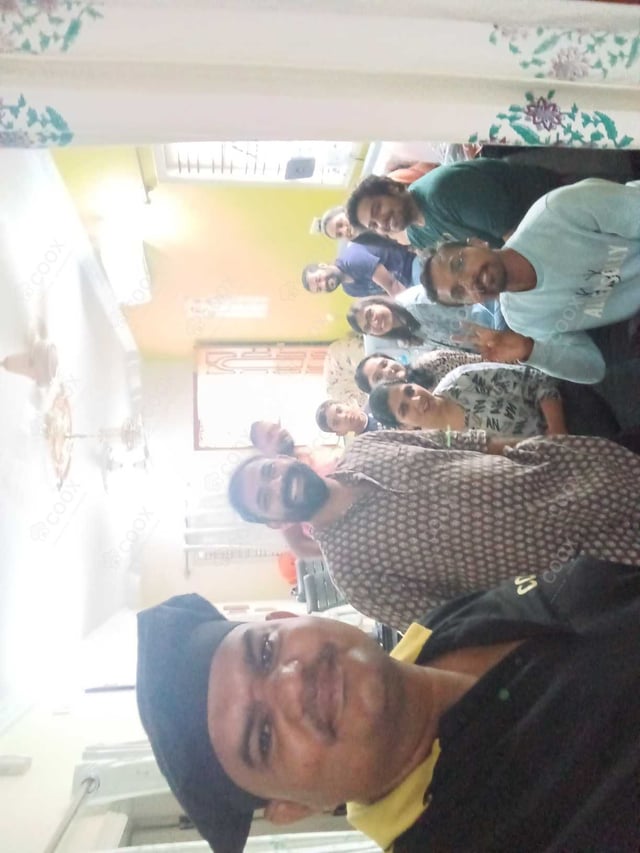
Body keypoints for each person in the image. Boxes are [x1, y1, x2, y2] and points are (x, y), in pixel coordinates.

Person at [136, 555, 640, 853]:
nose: (291, 683)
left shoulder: (440, 629)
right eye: (263, 737)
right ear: (293, 808)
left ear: (285, 619)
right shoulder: (476, 837)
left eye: (266, 652)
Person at [227, 430, 640, 629]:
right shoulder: (356, 577)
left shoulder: (367, 445)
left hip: (584, 474)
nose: (278, 483)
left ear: (283, 459)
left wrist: (533, 445)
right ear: (278, 522)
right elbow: (462, 626)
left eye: (270, 471)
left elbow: (464, 440)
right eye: (265, 497)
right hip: (594, 566)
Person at [421, 178, 640, 383]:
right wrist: (531, 351)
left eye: (459, 264)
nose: (469, 281)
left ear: (477, 243)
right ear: (471, 303)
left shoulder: (554, 212)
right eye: (459, 292)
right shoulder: (521, 319)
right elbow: (593, 369)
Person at [345, 159, 563, 251]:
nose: (381, 222)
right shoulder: (417, 235)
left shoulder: (442, 192)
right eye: (373, 225)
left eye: (377, 209)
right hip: (530, 240)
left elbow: (516, 236)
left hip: (554, 210)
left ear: (392, 188)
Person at [369, 363, 622, 440]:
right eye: (404, 409)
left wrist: (558, 431)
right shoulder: (446, 448)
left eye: (409, 391)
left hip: (571, 413)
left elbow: (536, 380)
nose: (416, 400)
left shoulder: (462, 381)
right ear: (404, 426)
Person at [346, 290, 503, 353]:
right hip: (487, 343)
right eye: (368, 327)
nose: (374, 322)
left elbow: (474, 312)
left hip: (495, 320)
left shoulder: (416, 304)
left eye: (370, 314)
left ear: (377, 302)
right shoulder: (406, 331)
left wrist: (494, 341)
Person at [302, 237, 419, 299]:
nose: (323, 284)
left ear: (323, 266)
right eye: (319, 289)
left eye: (318, 279)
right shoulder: (350, 289)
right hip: (407, 288)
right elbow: (384, 297)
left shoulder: (352, 259)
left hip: (412, 265)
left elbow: (392, 285)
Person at [354, 349, 482, 394]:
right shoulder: (408, 413)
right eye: (378, 377)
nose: (387, 371)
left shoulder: (431, 361)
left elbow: (481, 362)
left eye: (384, 364)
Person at [315, 399, 380, 437]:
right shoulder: (366, 445)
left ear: (345, 403)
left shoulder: (374, 402)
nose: (344, 416)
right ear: (340, 433)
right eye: (336, 422)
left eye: (339, 410)